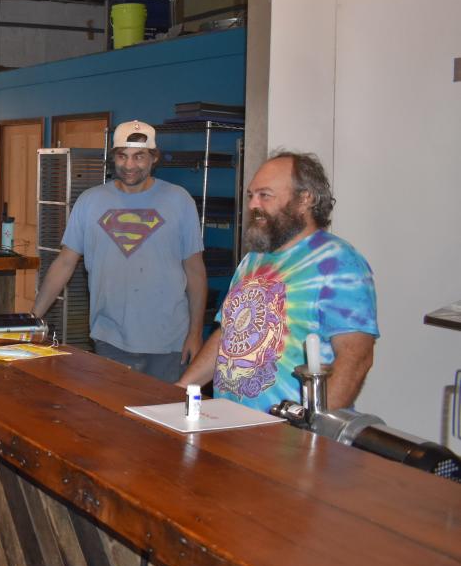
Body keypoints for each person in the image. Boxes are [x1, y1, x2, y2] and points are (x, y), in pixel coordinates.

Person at [179, 150, 378, 411]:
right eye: (251, 195)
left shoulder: (339, 262)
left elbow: (356, 359)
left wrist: (314, 431)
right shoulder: (253, 260)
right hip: (227, 425)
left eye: (265, 195)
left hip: (288, 440)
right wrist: (180, 391)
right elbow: (227, 336)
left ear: (304, 199)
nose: (252, 205)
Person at [29, 120, 206, 383]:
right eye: (122, 156)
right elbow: (64, 264)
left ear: (153, 158)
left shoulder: (179, 200)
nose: (129, 165)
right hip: (110, 338)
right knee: (113, 419)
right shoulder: (90, 201)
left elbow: (195, 271)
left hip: (170, 342)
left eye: (139, 156)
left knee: (163, 419)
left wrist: (195, 333)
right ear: (113, 157)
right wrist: (33, 320)